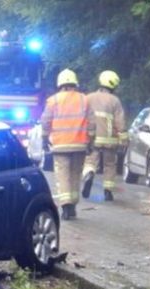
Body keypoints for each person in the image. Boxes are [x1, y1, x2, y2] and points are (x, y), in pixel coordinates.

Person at [39, 69, 94, 221]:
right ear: (75, 83)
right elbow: (92, 123)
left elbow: (45, 121)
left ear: (60, 84)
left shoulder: (53, 100)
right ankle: (73, 206)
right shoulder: (84, 99)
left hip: (60, 145)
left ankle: (65, 207)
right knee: (75, 175)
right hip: (79, 145)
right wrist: (91, 141)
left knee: (63, 175)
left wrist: (44, 138)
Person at [81, 70, 127, 202]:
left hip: (92, 137)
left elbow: (82, 117)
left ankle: (89, 174)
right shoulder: (115, 101)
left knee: (90, 161)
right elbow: (120, 122)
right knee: (110, 165)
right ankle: (108, 192)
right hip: (109, 139)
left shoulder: (88, 98)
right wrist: (123, 140)